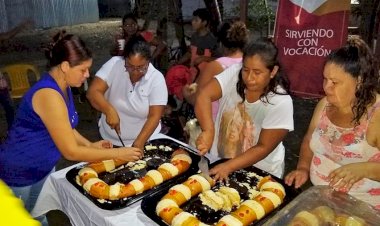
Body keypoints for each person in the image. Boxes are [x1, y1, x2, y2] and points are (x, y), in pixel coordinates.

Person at [0, 31, 143, 216]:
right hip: (19, 171)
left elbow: (65, 126)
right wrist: (119, 154)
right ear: (66, 66)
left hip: (42, 166)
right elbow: (70, 152)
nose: (87, 75)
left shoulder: (64, 86)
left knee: (38, 216)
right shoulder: (49, 94)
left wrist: (90, 145)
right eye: (83, 70)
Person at [285, 36, 380, 209]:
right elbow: (308, 140)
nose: (326, 87)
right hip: (324, 202)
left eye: (335, 82)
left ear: (359, 82)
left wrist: (363, 169)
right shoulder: (325, 104)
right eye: (325, 79)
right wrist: (303, 167)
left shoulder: (377, 115)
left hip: (365, 212)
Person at [195, 38, 294, 181]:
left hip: (260, 173)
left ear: (273, 71)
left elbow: (263, 147)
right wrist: (208, 130)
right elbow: (204, 95)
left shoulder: (281, 102)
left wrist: (229, 166)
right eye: (246, 70)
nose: (249, 78)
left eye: (257, 72)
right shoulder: (235, 73)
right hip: (221, 162)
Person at [87, 36, 168, 149]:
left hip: (145, 141)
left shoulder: (156, 79)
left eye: (140, 68)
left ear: (148, 62)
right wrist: (109, 110)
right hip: (109, 140)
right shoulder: (115, 64)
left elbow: (154, 116)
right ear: (124, 59)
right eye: (129, 66)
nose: (135, 72)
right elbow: (93, 92)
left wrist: (138, 144)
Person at [183, 20, 248, 120]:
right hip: (242, 121)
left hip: (217, 124)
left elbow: (197, 98)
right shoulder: (250, 64)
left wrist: (186, 94)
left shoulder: (216, 66)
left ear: (221, 43)